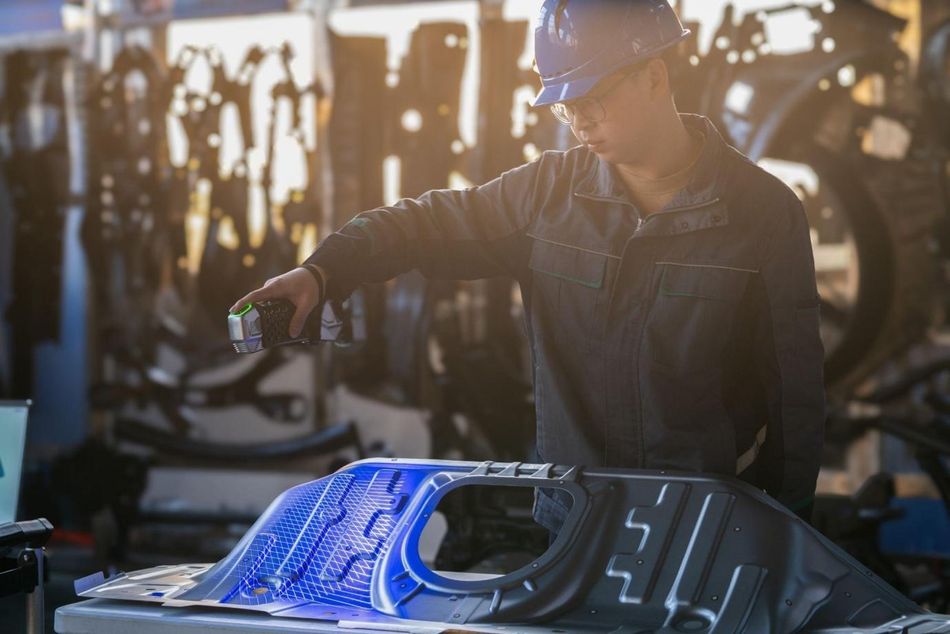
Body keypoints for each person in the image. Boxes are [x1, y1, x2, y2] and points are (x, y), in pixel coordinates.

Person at [231, 0, 826, 534]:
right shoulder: (546, 197)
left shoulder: (765, 213)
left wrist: (783, 538)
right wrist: (324, 272)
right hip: (575, 524)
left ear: (654, 76)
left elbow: (793, 401)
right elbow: (421, 223)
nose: (580, 122)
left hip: (703, 530)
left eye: (592, 99)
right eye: (566, 106)